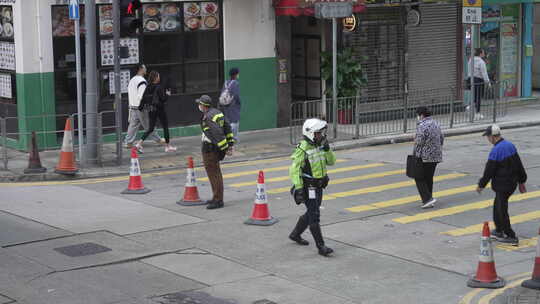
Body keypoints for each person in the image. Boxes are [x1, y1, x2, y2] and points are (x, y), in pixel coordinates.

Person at [289, 118, 336, 257]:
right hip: (308, 187)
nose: (321, 135)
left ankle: (295, 234)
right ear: (310, 134)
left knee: (311, 212)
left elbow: (332, 162)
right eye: (318, 133)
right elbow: (295, 169)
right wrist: (298, 188)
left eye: (321, 133)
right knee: (314, 215)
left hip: (319, 185)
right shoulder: (302, 148)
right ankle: (321, 247)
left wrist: (327, 150)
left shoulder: (320, 145)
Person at [477, 124, 527, 246]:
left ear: (492, 137)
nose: (488, 139)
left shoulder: (496, 150)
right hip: (511, 184)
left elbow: (489, 171)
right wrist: (522, 181)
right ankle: (499, 230)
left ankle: (510, 235)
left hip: (503, 185)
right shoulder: (510, 145)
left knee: (501, 210)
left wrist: (481, 185)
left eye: (488, 136)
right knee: (497, 206)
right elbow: (519, 165)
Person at [197, 95, 235, 210]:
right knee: (215, 174)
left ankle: (218, 200)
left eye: (199, 104)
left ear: (203, 106)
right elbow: (227, 127)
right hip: (214, 148)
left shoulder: (208, 117)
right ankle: (216, 197)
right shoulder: (217, 112)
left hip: (210, 149)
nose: (198, 106)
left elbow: (218, 133)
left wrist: (225, 148)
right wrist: (230, 143)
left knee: (214, 175)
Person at [135, 71, 177, 153]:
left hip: (151, 109)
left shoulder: (148, 87)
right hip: (160, 109)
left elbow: (143, 98)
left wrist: (140, 107)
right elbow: (163, 99)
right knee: (165, 127)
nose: (159, 77)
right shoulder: (159, 87)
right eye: (158, 76)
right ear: (155, 78)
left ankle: (138, 144)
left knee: (150, 128)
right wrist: (168, 94)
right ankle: (168, 146)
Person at [124, 64, 164, 149]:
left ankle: (128, 142)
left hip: (133, 106)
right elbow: (142, 96)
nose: (146, 69)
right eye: (144, 67)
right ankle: (158, 140)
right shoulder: (142, 81)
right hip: (141, 107)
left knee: (133, 125)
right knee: (149, 125)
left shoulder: (132, 80)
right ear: (141, 69)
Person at [413, 107, 444, 209]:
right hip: (436, 156)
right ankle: (429, 199)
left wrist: (415, 140)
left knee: (419, 177)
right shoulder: (436, 123)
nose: (417, 117)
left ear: (421, 115)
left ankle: (427, 199)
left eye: (418, 115)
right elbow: (441, 138)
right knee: (428, 177)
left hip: (425, 156)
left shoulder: (422, 125)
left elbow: (419, 142)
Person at [468, 48, 491, 119]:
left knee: (474, 96)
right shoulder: (481, 62)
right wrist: (488, 83)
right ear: (480, 54)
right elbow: (484, 73)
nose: (484, 54)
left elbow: (469, 70)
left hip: (471, 79)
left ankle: (470, 107)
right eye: (483, 52)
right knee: (478, 97)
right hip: (478, 80)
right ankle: (477, 113)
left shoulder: (470, 60)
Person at [220, 68, 241, 143]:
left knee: (227, 121)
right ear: (235, 74)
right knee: (235, 121)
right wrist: (239, 104)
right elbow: (236, 96)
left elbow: (222, 93)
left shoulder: (226, 82)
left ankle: (227, 136)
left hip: (225, 106)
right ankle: (233, 138)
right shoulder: (235, 83)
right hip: (233, 106)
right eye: (238, 73)